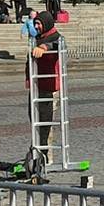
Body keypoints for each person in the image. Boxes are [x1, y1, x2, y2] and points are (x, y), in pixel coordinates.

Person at [28, 10, 64, 151]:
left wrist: (44, 47)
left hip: (49, 87)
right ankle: (36, 152)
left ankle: (43, 157)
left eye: (39, 24)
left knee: (45, 123)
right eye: (35, 23)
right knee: (35, 121)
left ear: (46, 24)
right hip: (36, 85)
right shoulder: (37, 37)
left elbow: (57, 45)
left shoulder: (56, 37)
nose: (36, 27)